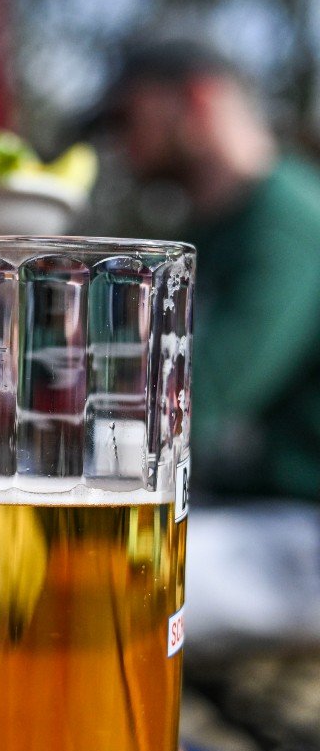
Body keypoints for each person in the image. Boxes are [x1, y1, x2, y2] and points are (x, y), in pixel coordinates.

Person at [99, 40, 320, 502]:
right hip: (233, 503)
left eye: (128, 119)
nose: (121, 144)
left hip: (294, 517)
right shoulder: (208, 230)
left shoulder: (288, 220)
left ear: (197, 100)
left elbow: (201, 397)